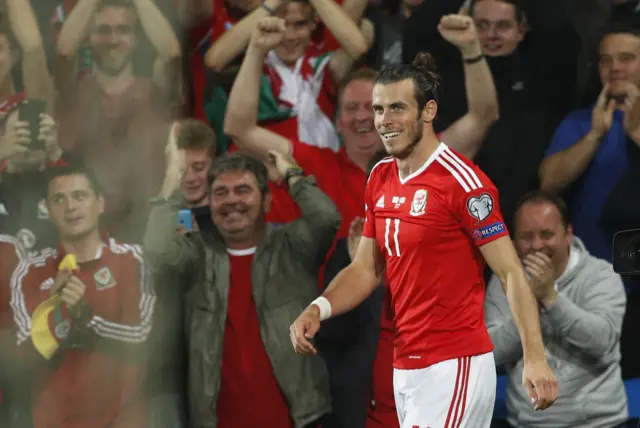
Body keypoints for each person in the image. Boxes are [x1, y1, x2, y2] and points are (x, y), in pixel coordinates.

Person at [290, 52, 558, 428]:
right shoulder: (380, 177)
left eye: (397, 108)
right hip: (405, 366)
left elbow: (511, 272)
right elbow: (365, 269)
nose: (383, 121)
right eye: (379, 109)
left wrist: (535, 356)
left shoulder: (463, 183)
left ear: (428, 111)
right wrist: (319, 307)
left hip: (454, 363)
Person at [143, 145, 340, 427]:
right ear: (209, 205)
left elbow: (326, 218)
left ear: (267, 201)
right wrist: (173, 183)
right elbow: (157, 248)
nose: (231, 200)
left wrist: (290, 175)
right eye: (220, 193)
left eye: (243, 190)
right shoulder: (196, 256)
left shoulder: (292, 247)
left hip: (296, 420)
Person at [9, 161, 155, 428]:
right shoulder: (30, 271)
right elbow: (21, 359)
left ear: (100, 204)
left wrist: (84, 317)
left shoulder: (133, 260)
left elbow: (143, 336)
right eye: (59, 199)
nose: (70, 207)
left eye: (80, 196)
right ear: (49, 210)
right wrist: (55, 312)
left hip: (122, 419)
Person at [485, 190, 628, 428]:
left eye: (547, 235)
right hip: (527, 423)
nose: (537, 245)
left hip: (599, 424)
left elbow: (603, 342)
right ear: (512, 241)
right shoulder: (504, 281)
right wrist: (532, 305)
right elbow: (491, 353)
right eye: (526, 236)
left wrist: (550, 298)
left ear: (568, 234)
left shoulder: (601, 275)